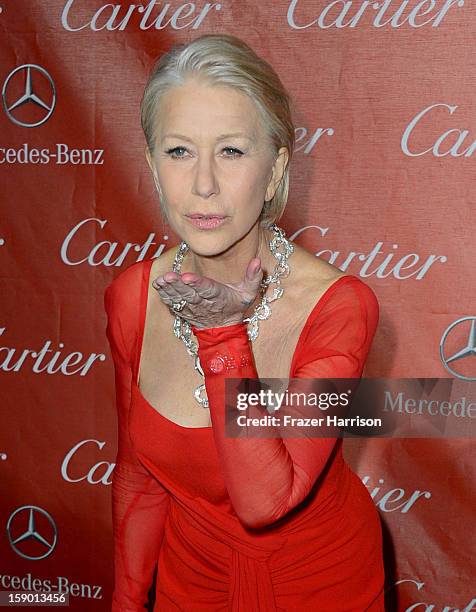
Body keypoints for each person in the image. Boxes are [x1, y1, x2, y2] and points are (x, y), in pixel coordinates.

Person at [104, 33, 385, 611]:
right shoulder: (131, 297)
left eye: (231, 151)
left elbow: (266, 499)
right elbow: (139, 478)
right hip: (192, 582)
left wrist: (221, 334)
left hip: (322, 585)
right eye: (178, 151)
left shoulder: (339, 307)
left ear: (276, 165)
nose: (203, 184)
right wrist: (128, 603)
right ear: (152, 165)